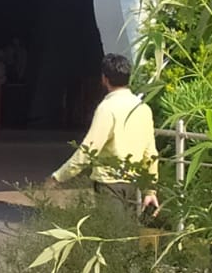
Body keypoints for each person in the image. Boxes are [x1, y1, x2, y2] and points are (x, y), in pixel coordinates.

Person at [44, 54, 159, 215]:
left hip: (109, 184)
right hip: (133, 182)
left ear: (104, 78)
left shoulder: (107, 108)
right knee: (127, 234)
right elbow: (151, 153)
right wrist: (150, 191)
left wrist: (59, 176)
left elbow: (88, 150)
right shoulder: (143, 108)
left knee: (111, 235)